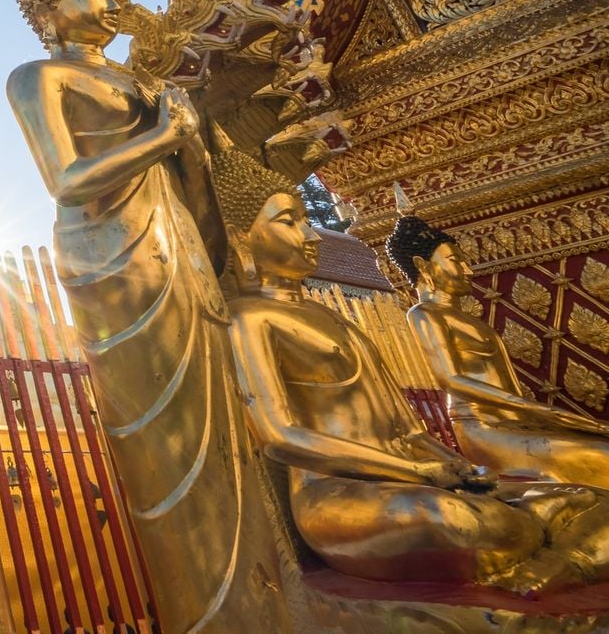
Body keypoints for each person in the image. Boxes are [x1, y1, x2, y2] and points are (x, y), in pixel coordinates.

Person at [6, 0, 289, 631]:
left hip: (178, 244)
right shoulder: (38, 76)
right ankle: (214, 612)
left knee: (223, 416)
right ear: (47, 11)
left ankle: (271, 593)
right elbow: (68, 179)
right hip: (111, 257)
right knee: (163, 433)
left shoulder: (140, 80)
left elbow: (195, 182)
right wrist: (162, 135)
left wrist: (187, 146)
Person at [228, 189, 609, 593]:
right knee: (447, 517)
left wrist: (462, 470)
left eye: (307, 219)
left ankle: (558, 560)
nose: (314, 235)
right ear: (240, 239)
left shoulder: (332, 317)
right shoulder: (248, 319)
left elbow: (410, 432)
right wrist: (415, 472)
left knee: (587, 496)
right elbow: (279, 436)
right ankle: (563, 550)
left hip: (419, 477)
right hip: (339, 495)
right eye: (291, 221)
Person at [391, 211, 609, 488]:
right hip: (482, 427)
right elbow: (449, 379)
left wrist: (542, 415)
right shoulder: (424, 314)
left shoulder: (466, 318)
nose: (468, 270)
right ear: (423, 266)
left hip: (521, 422)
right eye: (456, 262)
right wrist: (540, 410)